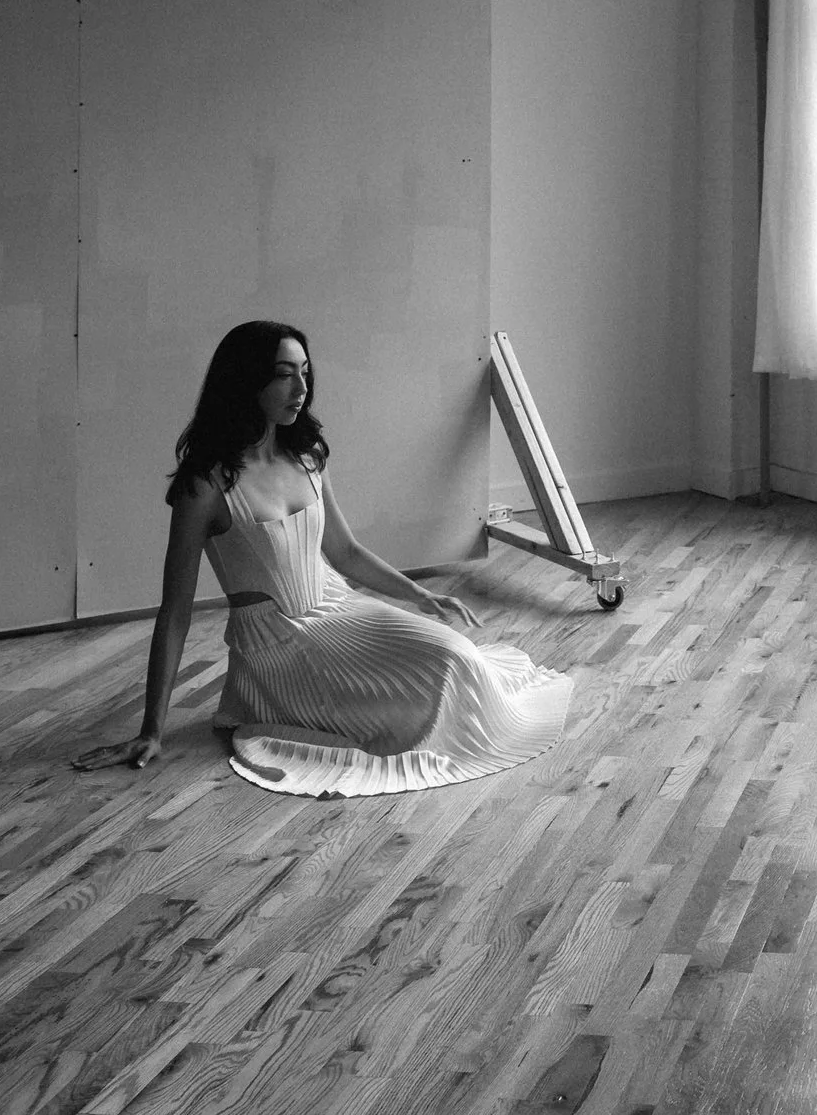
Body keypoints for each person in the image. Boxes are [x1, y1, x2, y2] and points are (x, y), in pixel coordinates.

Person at [73, 320, 571, 795]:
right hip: (278, 643)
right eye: (284, 374)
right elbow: (175, 611)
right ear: (246, 382)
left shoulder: (307, 454)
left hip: (338, 604)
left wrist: (420, 596)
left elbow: (345, 552)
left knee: (459, 657)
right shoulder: (205, 485)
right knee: (440, 678)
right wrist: (152, 729)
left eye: (305, 373)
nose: (301, 388)